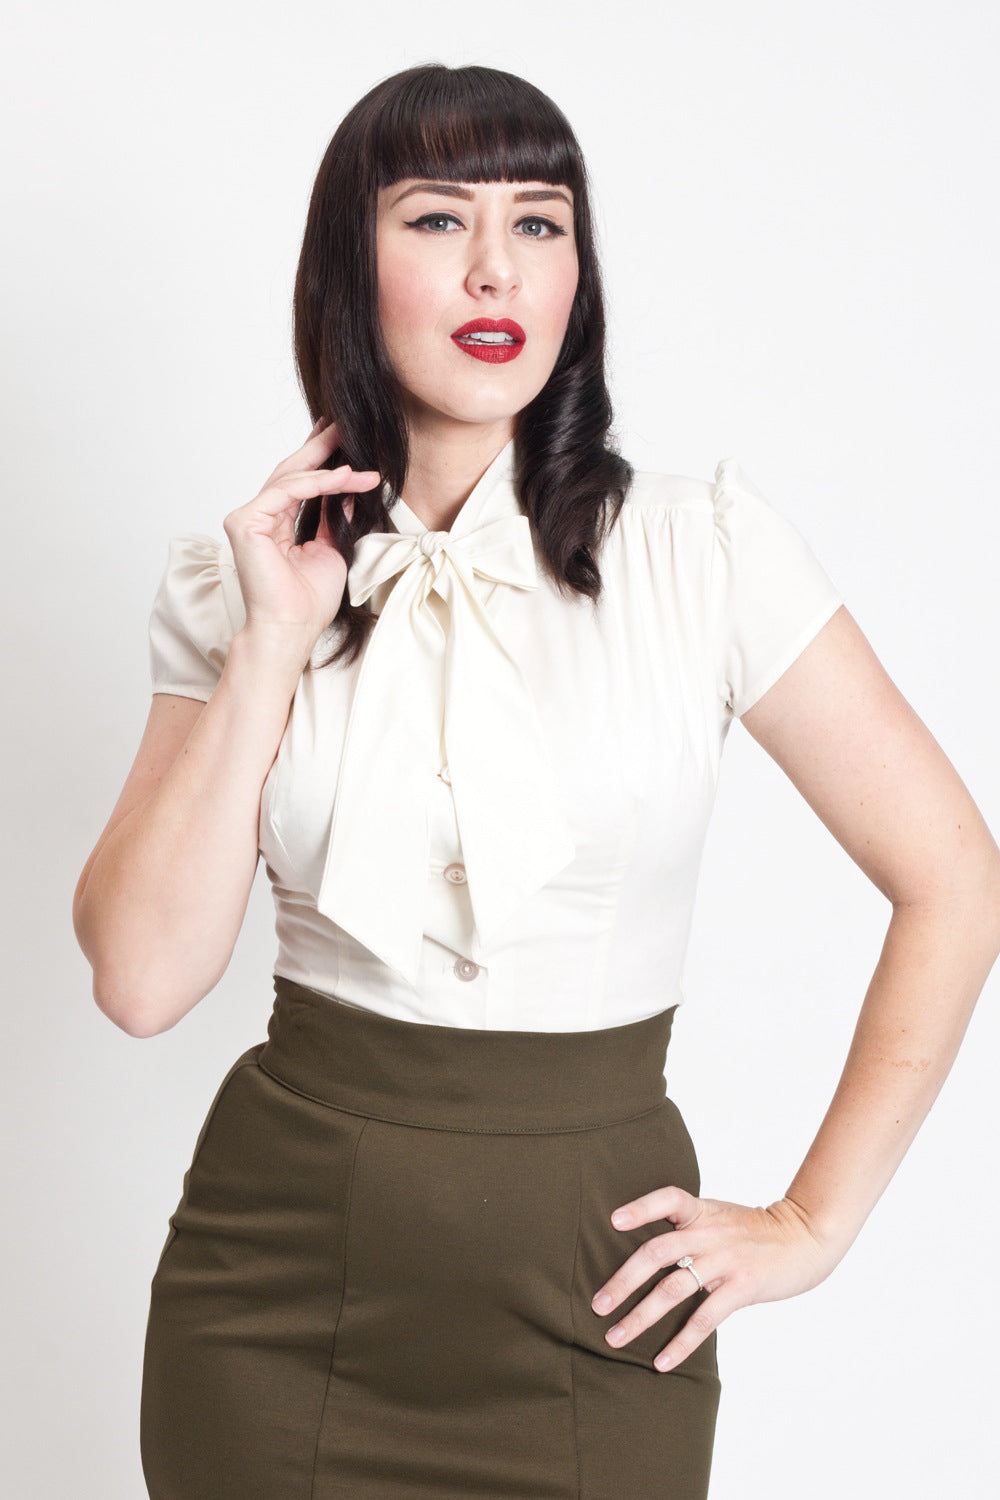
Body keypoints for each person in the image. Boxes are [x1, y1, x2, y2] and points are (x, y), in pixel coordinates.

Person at [72, 61, 1000, 1500]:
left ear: (578, 273)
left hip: (598, 1300)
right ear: (350, 265)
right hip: (274, 1303)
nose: (496, 266)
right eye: (438, 218)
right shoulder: (235, 581)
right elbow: (140, 981)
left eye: (541, 222)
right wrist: (272, 642)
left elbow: (954, 877)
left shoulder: (704, 554)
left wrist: (815, 1223)